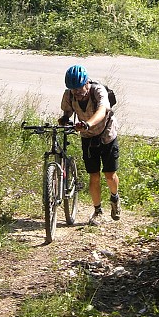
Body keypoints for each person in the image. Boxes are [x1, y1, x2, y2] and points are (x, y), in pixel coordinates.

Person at [58, 64, 121, 226]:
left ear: (86, 83)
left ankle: (114, 197)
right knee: (94, 175)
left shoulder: (98, 91)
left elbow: (102, 111)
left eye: (79, 88)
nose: (77, 93)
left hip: (106, 134)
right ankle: (98, 210)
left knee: (109, 174)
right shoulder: (69, 95)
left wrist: (87, 123)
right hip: (87, 137)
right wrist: (65, 120)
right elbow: (67, 112)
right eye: (73, 90)